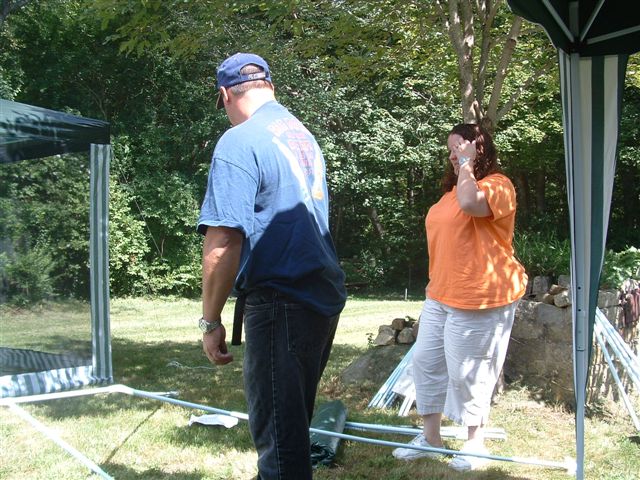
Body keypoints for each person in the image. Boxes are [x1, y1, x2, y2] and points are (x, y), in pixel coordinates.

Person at [196, 52, 346, 480]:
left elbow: (223, 242)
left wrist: (210, 322)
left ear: (225, 95)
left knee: (281, 448)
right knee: (291, 429)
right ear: (270, 87)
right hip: (319, 296)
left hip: (282, 301)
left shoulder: (240, 140)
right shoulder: (300, 135)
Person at [392, 123, 527, 472]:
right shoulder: (448, 195)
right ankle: (431, 438)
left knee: (470, 372)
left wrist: (466, 165)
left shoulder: (498, 185)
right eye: (451, 150)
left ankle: (474, 443)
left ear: (478, 150)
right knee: (426, 363)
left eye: (460, 148)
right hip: (441, 295)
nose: (453, 156)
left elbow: (471, 204)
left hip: (481, 296)